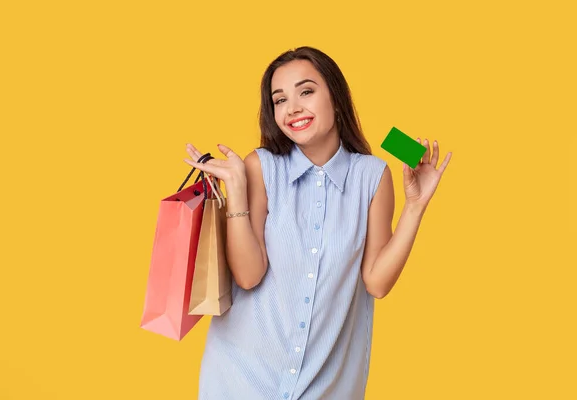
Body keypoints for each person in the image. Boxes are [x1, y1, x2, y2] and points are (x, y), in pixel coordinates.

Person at [183, 46, 452, 400]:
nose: (292, 108)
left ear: (336, 98)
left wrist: (415, 206)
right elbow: (248, 276)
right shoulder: (261, 167)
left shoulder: (372, 176)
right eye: (279, 100)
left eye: (306, 91)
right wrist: (235, 190)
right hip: (241, 380)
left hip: (327, 387)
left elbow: (377, 283)